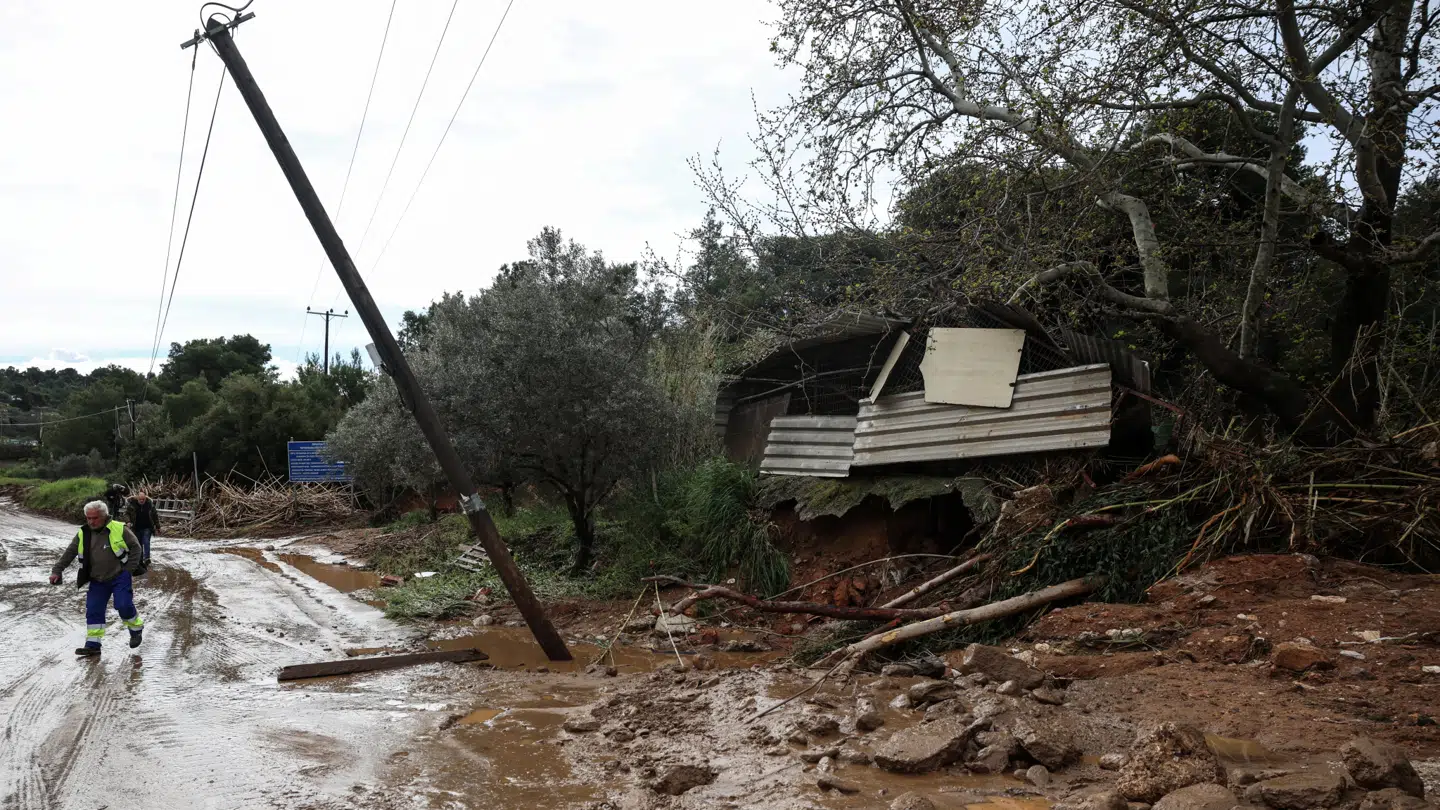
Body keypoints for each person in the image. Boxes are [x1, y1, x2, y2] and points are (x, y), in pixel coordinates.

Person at [48, 500, 145, 657]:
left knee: (123, 605)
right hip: (97, 580)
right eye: (88, 518)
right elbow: (70, 552)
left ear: (104, 516)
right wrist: (57, 570)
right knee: (93, 610)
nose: (90, 521)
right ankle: (93, 645)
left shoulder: (119, 529)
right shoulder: (83, 533)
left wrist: (128, 571)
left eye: (94, 518)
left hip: (119, 576)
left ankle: (136, 629)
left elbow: (136, 548)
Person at [127, 489, 161, 567]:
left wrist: (158, 527)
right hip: (136, 528)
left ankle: (147, 558)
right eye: (140, 499)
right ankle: (140, 559)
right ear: (137, 498)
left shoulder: (150, 505)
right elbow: (126, 514)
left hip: (147, 527)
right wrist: (128, 521)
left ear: (146, 498)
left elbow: (155, 516)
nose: (142, 501)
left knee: (146, 542)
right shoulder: (132, 505)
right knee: (139, 544)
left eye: (143, 499)